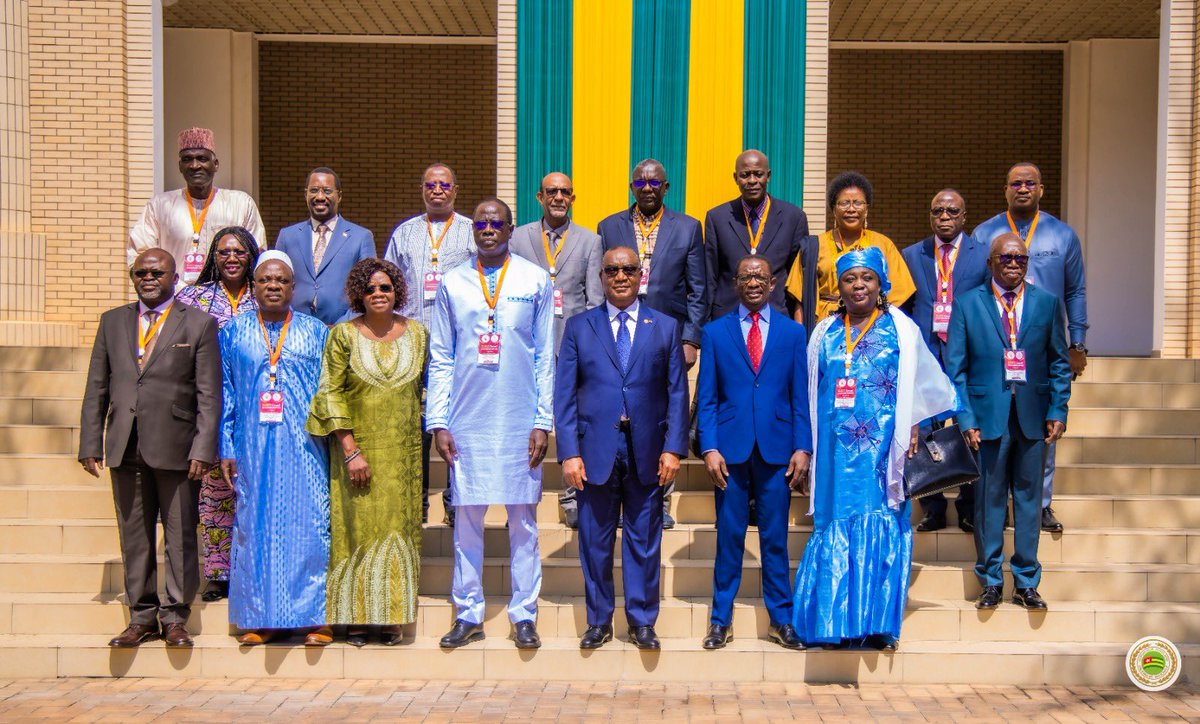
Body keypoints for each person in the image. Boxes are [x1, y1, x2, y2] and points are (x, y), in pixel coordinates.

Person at [791, 247, 957, 650]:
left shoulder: (902, 329)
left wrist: (913, 422)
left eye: (867, 277)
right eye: (849, 279)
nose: (858, 285)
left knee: (881, 522)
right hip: (833, 452)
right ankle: (833, 624)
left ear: (881, 284)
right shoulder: (824, 332)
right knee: (835, 525)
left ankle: (878, 623)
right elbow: (809, 391)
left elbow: (925, 384)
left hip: (884, 451)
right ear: (839, 288)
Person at [427, 199, 554, 650]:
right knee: (466, 521)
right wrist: (439, 421)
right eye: (480, 223)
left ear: (510, 228)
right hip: (467, 419)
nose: (487, 229)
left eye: (496, 222)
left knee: (523, 523)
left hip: (520, 418)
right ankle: (468, 613)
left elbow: (545, 356)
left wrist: (543, 420)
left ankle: (524, 614)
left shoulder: (534, 279)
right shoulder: (453, 282)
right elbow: (440, 356)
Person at [78, 249, 221, 648]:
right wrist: (90, 442)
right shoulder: (112, 322)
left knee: (180, 536)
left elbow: (209, 395)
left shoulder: (199, 323)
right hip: (125, 444)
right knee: (135, 536)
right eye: (140, 273)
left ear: (174, 278)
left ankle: (175, 617)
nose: (148, 278)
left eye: (157, 272)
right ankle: (140, 616)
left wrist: (203, 448)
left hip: (178, 448)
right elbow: (97, 387)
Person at [554, 247, 689, 650]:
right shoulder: (580, 327)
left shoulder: (664, 326)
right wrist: (569, 452)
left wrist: (674, 448)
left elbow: (677, 393)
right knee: (594, 541)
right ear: (601, 277)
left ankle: (642, 621)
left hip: (648, 450)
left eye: (629, 269)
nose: (620, 276)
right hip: (594, 450)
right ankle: (599, 621)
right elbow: (565, 394)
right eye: (612, 270)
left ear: (640, 275)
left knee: (644, 541)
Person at [944, 233, 1071, 612]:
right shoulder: (967, 304)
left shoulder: (1047, 303)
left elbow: (1059, 361)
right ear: (991, 263)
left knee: (1030, 502)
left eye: (1020, 258)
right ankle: (991, 580)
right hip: (986, 420)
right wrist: (965, 417)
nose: (1014, 264)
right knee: (989, 501)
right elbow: (956, 369)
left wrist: (1058, 410)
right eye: (1006, 258)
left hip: (1033, 417)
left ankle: (1026, 581)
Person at [307, 258, 427, 647]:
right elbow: (329, 391)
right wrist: (350, 450)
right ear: (359, 294)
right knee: (355, 529)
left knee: (398, 531)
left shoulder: (418, 334)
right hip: (355, 453)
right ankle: (355, 619)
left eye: (385, 287)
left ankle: (392, 618)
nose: (378, 293)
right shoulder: (342, 335)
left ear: (397, 292)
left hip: (404, 458)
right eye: (370, 288)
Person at [697, 255, 812, 651]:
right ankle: (720, 620)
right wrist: (709, 447)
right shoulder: (715, 333)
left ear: (773, 283)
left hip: (777, 450)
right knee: (729, 538)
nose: (753, 282)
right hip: (729, 451)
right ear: (735, 282)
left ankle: (781, 620)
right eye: (746, 276)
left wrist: (803, 446)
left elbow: (800, 396)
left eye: (760, 276)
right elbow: (707, 398)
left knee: (775, 539)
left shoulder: (793, 333)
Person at [218, 251, 332, 646]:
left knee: (310, 524)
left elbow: (328, 389)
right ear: (253, 286)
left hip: (306, 446)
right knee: (257, 526)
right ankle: (262, 617)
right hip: (253, 445)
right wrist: (225, 444)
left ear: (293, 288)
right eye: (266, 280)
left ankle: (315, 617)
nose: (273, 286)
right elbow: (226, 392)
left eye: (281, 280)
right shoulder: (233, 332)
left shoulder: (316, 331)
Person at [972, 162, 1087, 533]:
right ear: (1005, 189)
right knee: (997, 426)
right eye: (1016, 183)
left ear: (1041, 189)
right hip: (996, 342)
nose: (1023, 188)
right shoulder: (984, 233)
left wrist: (1078, 341)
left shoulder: (1062, 235)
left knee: (1042, 426)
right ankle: (997, 504)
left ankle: (1041, 503)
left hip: (1041, 344)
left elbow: (1075, 290)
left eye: (1030, 183)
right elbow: (972, 290)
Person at [598, 159, 706, 528]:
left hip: (666, 336)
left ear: (666, 187)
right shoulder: (609, 226)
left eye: (654, 182)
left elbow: (698, 289)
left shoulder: (688, 227)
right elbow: (602, 279)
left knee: (663, 415)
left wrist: (690, 338)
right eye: (640, 182)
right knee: (618, 409)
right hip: (619, 331)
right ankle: (616, 497)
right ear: (632, 186)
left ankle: (660, 500)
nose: (647, 188)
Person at [383, 162, 476, 526]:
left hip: (458, 345)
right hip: (413, 341)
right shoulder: (404, 233)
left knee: (458, 422)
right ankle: (416, 499)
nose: (438, 190)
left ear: (456, 190)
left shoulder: (470, 231)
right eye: (431, 185)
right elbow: (388, 284)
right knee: (414, 424)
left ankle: (455, 500)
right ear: (422, 189)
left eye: (445, 185)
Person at [510, 171, 604, 530]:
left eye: (565, 192)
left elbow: (594, 300)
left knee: (571, 422)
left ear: (573, 198)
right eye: (551, 191)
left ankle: (571, 497)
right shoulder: (519, 238)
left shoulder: (590, 241)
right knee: (525, 422)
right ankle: (520, 498)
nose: (559, 197)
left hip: (571, 345)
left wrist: (591, 348)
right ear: (540, 197)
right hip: (527, 346)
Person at [175, 226, 261, 602]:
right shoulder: (193, 297)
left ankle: (252, 566)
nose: (231, 258)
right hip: (210, 405)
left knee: (254, 489)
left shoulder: (263, 294)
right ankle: (218, 573)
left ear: (252, 256)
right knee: (215, 492)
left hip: (257, 407)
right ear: (213, 256)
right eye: (224, 251)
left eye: (239, 251)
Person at [901, 190, 990, 534]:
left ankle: (968, 507)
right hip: (925, 354)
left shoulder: (982, 255)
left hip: (967, 353)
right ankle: (933, 507)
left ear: (964, 216)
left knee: (968, 427)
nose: (944, 217)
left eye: (952, 211)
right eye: (937, 210)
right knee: (926, 430)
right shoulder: (912, 254)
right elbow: (904, 306)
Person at [129, 127, 266, 283]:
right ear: (180, 166)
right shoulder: (159, 206)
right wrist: (177, 290)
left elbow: (257, 255)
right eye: (187, 159)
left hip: (225, 295)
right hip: (175, 293)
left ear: (215, 164)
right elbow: (139, 256)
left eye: (202, 158)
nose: (194, 165)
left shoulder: (241, 203)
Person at [785, 172, 915, 325]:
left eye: (858, 203)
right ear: (834, 209)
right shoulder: (814, 246)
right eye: (844, 203)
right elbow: (800, 299)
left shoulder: (883, 244)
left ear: (866, 209)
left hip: (871, 324)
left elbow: (898, 296)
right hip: (825, 326)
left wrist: (879, 326)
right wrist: (803, 336)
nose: (851, 209)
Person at [704, 150, 810, 319]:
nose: (752, 180)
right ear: (735, 178)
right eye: (745, 175)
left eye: (758, 174)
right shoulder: (717, 218)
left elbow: (798, 278)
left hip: (777, 316)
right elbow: (710, 276)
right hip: (728, 316)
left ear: (768, 176)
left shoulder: (794, 218)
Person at [274, 167, 377, 325]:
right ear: (306, 194)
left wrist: (342, 326)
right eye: (314, 190)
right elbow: (276, 282)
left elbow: (369, 287)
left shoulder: (361, 237)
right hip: (293, 328)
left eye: (327, 191)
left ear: (339, 196)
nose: (320, 197)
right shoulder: (287, 236)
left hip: (343, 329)